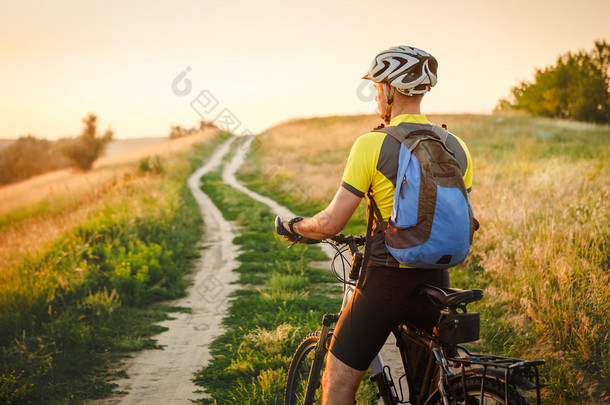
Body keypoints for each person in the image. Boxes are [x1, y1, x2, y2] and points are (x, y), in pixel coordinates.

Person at [281, 45, 473, 404]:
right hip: (437, 281)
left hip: (385, 281)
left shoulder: (372, 144)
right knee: (430, 389)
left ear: (388, 90)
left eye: (376, 89)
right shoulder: (456, 146)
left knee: (337, 383)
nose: (374, 96)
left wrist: (296, 226)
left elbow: (330, 222)